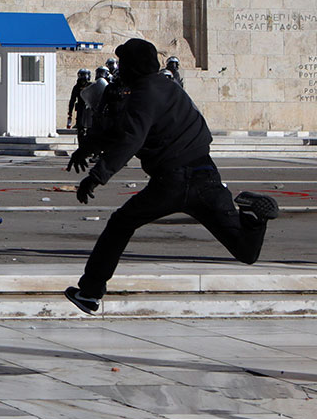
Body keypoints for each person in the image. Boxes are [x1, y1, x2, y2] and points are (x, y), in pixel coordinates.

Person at [63, 38, 279, 315]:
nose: (121, 72)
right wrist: (87, 147)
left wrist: (96, 176)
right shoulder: (169, 88)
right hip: (207, 176)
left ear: (134, 67)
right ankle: (254, 218)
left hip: (172, 180)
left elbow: (130, 139)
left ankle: (90, 293)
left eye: (125, 65)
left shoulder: (142, 95)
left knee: (120, 224)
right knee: (246, 252)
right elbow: (124, 130)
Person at [67, 69, 92, 145]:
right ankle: (81, 146)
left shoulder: (91, 86)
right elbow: (72, 100)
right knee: (80, 129)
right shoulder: (76, 87)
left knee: (90, 129)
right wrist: (70, 112)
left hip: (90, 109)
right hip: (81, 109)